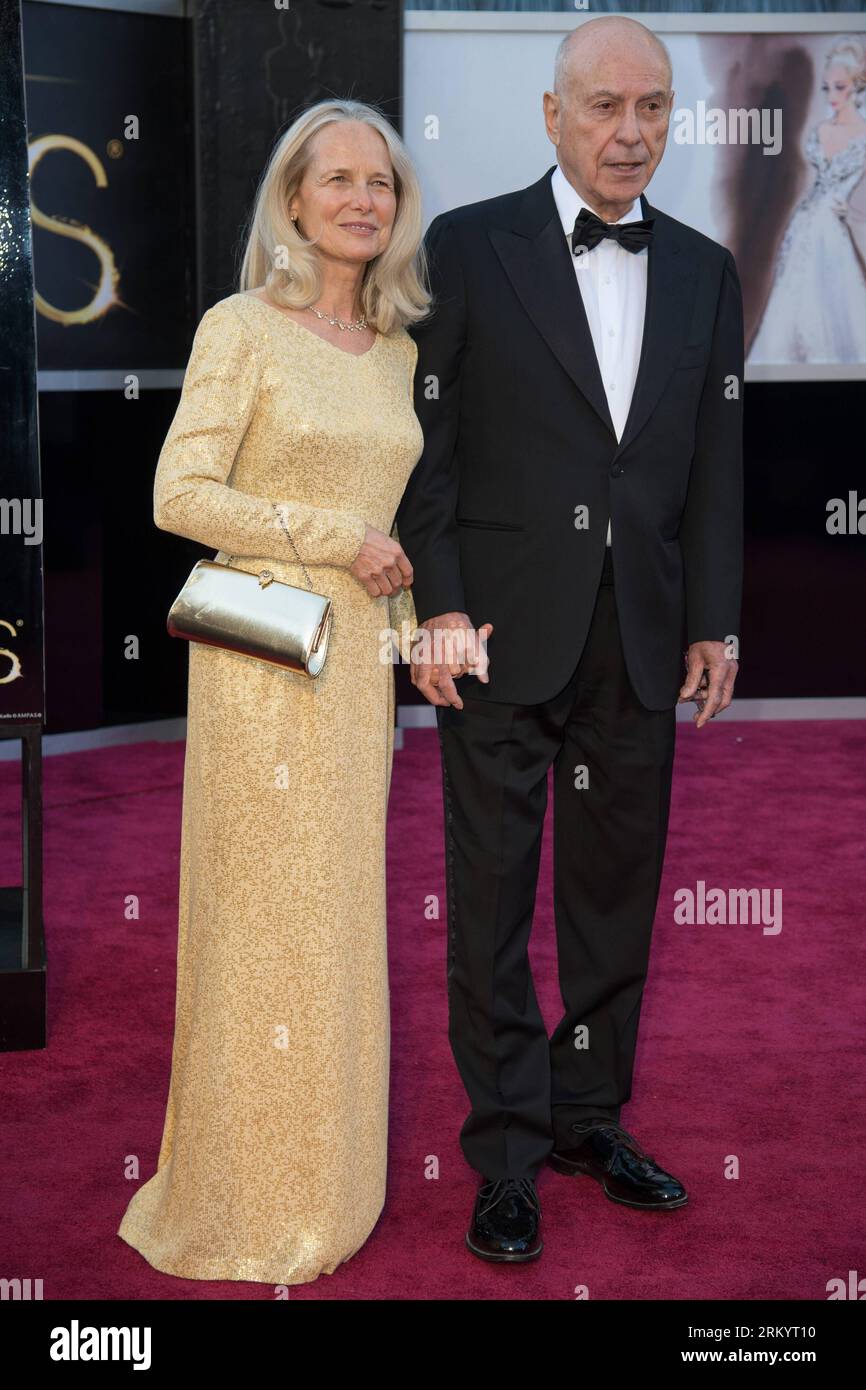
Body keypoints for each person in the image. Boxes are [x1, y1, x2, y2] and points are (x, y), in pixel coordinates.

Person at [397, 15, 744, 1262]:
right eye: (603, 106)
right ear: (552, 117)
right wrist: (433, 607)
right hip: (495, 631)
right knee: (488, 898)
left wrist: (713, 618)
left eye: (650, 106)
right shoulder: (467, 246)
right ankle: (502, 1147)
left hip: (639, 638)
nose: (628, 130)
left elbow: (711, 467)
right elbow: (424, 450)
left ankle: (588, 1118)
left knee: (612, 895)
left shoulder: (705, 267)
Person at [117, 99, 427, 1285]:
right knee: (262, 926)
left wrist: (409, 651)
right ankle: (244, 1192)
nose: (360, 199)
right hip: (260, 660)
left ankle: (329, 1187)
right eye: (335, 179)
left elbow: (391, 543)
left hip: (357, 674)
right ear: (291, 199)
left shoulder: (402, 351)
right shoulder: (237, 327)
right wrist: (328, 531)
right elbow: (179, 494)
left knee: (338, 925)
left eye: (380, 184)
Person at [750, 35, 866, 364]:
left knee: (836, 303)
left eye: (840, 87)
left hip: (834, 229)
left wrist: (854, 216)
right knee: (792, 300)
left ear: (856, 88)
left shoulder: (863, 134)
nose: (832, 96)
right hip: (804, 223)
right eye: (827, 88)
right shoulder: (820, 130)